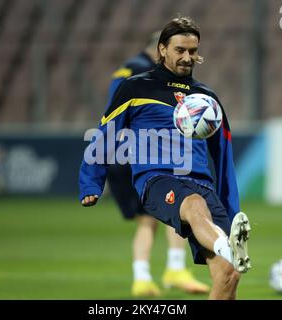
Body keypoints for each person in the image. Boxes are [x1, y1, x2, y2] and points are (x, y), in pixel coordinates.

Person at [79, 16, 251, 300]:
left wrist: (232, 214)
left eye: (193, 51)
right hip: (158, 179)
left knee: (229, 275)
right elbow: (105, 135)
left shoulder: (206, 97)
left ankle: (227, 250)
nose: (187, 57)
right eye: (180, 50)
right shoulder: (135, 88)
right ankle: (226, 246)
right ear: (162, 50)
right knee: (193, 206)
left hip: (202, 183)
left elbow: (223, 158)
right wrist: (91, 182)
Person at [105, 32, 209, 297]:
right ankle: (172, 271)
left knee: (152, 217)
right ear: (161, 51)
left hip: (123, 152)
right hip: (139, 153)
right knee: (171, 209)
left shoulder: (129, 70)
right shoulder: (147, 75)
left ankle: (145, 277)